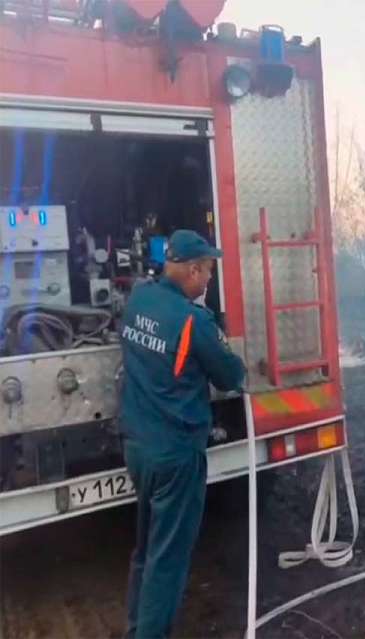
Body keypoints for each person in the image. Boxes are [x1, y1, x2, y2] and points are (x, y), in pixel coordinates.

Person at [120, 229, 246, 639]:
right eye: (208, 271)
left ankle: (137, 627)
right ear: (192, 270)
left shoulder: (138, 299)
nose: (209, 280)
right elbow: (231, 376)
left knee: (145, 549)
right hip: (176, 455)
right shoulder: (194, 321)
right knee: (168, 559)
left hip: (139, 448)